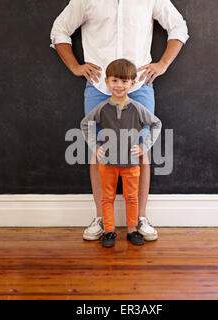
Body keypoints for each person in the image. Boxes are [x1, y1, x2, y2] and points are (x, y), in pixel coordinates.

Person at [50, 0, 189, 241]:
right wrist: (75, 66)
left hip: (140, 85)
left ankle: (140, 219)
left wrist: (163, 63)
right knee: (97, 151)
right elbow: (59, 30)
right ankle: (101, 218)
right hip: (99, 86)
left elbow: (179, 27)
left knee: (142, 151)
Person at [80, 59, 162, 247]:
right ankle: (109, 231)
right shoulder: (101, 108)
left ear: (132, 84)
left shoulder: (137, 108)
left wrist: (144, 147)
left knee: (131, 197)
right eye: (115, 81)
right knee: (107, 197)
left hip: (131, 164)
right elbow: (85, 124)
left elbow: (156, 123)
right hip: (107, 164)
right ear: (107, 81)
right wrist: (95, 146)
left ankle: (133, 229)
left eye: (124, 82)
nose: (119, 86)